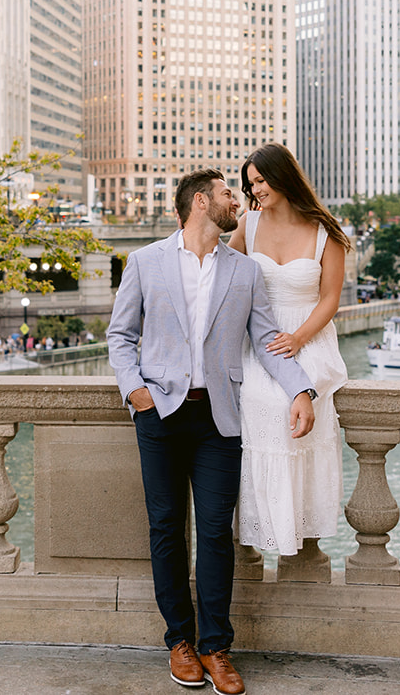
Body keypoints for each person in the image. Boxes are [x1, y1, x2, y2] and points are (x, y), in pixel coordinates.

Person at [108, 168, 317, 695]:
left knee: (216, 534)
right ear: (201, 203)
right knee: (165, 528)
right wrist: (136, 391)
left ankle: (216, 647)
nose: (238, 201)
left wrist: (300, 389)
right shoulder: (144, 261)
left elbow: (269, 338)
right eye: (229, 193)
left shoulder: (244, 271)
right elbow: (120, 335)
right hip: (160, 413)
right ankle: (179, 641)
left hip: (219, 418)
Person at [229, 142, 351, 560]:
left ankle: (298, 529)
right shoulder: (250, 223)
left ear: (283, 177)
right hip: (261, 337)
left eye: (261, 180)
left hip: (308, 337)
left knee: (290, 412)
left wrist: (298, 338)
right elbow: (226, 273)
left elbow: (330, 299)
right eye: (250, 184)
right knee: (254, 401)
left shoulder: (326, 232)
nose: (256, 189)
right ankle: (257, 529)